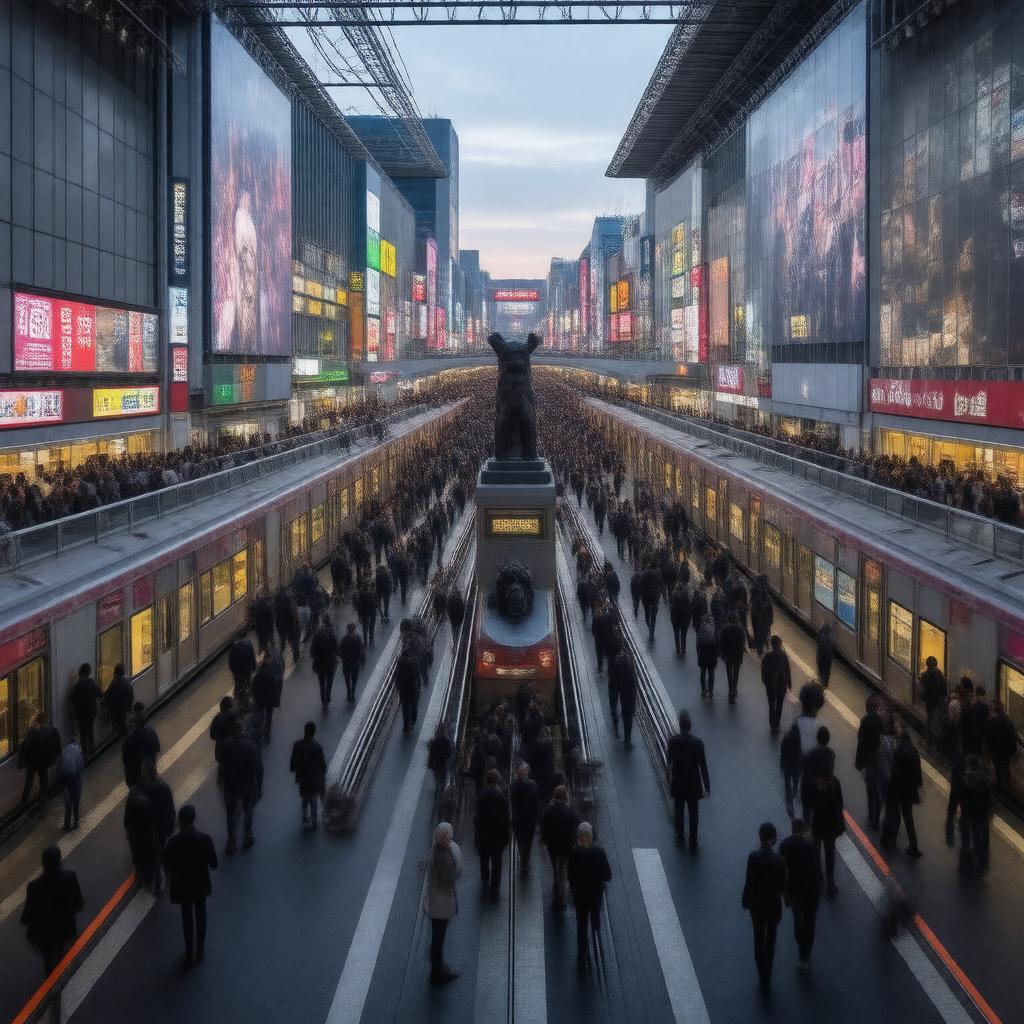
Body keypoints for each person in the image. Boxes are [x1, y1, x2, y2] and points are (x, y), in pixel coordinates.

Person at [163, 804, 218, 968]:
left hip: (182, 886)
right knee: (201, 914)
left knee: (186, 918)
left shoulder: (173, 842)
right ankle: (200, 946)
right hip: (200, 884)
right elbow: (214, 863)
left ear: (180, 820)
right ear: (193, 819)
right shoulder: (205, 838)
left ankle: (189, 951)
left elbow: (166, 865)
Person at [21, 846, 84, 976]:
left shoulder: (33, 887)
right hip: (65, 928)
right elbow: (79, 904)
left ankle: (51, 979)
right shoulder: (70, 877)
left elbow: (27, 916)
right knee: (60, 950)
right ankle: (60, 968)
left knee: (48, 958)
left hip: (45, 934)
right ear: (59, 860)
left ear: (43, 863)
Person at [741, 822, 787, 992]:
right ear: (773, 839)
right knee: (771, 938)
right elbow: (783, 885)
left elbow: (749, 881)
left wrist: (745, 901)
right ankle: (768, 970)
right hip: (773, 905)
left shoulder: (753, 857)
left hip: (757, 904)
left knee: (758, 937)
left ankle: (762, 974)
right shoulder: (779, 860)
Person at [567, 822, 612, 973]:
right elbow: (607, 875)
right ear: (591, 836)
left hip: (580, 897)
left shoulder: (573, 853)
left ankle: (581, 958)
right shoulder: (599, 852)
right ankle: (596, 928)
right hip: (595, 895)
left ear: (579, 837)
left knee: (581, 927)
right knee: (595, 915)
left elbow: (570, 876)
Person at [779, 819, 822, 972]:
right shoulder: (812, 847)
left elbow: (782, 872)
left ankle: (800, 944)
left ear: (792, 829)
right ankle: (805, 955)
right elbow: (818, 870)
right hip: (811, 890)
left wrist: (784, 892)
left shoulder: (784, 846)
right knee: (810, 921)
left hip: (794, 890)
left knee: (798, 918)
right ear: (804, 830)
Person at [666, 710, 710, 852]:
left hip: (678, 782)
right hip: (693, 784)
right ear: (690, 727)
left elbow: (669, 761)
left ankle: (680, 835)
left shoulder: (673, 741)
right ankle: (693, 841)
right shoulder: (698, 743)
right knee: (693, 812)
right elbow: (703, 766)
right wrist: (707, 787)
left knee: (679, 809)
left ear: (680, 726)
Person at [424, 821, 462, 985]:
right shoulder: (446, 858)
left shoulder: (435, 850)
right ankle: (437, 968)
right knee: (439, 935)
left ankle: (436, 962)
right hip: (442, 901)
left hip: (435, 899)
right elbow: (453, 875)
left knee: (437, 933)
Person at [220, 719, 263, 853]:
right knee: (248, 808)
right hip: (247, 784)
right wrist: (259, 787)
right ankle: (247, 835)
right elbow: (259, 769)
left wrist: (223, 784)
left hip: (231, 784)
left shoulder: (226, 746)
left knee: (231, 812)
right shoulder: (250, 746)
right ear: (243, 730)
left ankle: (231, 840)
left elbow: (222, 768)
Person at [881, 725, 923, 857]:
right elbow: (917, 772)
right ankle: (913, 846)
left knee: (892, 813)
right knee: (908, 818)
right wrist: (918, 786)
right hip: (909, 790)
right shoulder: (914, 751)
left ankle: (887, 839)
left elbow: (894, 770)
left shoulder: (898, 751)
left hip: (897, 788)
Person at [541, 784, 581, 911]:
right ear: (565, 797)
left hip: (553, 846)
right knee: (563, 868)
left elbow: (544, 828)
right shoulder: (571, 813)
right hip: (566, 847)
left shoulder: (549, 810)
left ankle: (556, 884)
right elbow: (576, 831)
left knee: (555, 867)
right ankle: (560, 894)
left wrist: (545, 840)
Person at [808, 761, 844, 896]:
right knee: (830, 854)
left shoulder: (814, 784)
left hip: (817, 824)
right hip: (830, 826)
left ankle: (819, 877)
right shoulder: (835, 782)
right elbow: (840, 803)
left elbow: (808, 803)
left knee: (816, 852)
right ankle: (830, 881)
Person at [474, 768, 510, 899]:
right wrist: (507, 836)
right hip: (498, 837)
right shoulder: (501, 796)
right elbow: (506, 819)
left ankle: (484, 878)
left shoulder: (482, 793)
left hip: (483, 835)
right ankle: (494, 888)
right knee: (497, 864)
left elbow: (477, 815)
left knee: (484, 858)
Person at [958, 755, 992, 875]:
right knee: (982, 839)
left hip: (972, 813)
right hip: (982, 813)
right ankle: (983, 863)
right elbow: (989, 798)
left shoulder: (968, 779)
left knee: (971, 838)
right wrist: (989, 813)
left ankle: (969, 865)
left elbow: (964, 798)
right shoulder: (985, 778)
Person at [855, 695, 885, 829]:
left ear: (867, 708)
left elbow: (860, 739)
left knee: (870, 786)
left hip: (868, 756)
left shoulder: (865, 721)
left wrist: (858, 760)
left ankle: (871, 814)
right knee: (878, 785)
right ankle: (877, 817)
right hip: (877, 755)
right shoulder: (879, 720)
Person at [290, 721, 327, 828]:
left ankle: (304, 814)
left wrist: (295, 771)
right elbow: (322, 764)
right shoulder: (317, 747)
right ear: (314, 732)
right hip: (315, 777)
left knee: (305, 796)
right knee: (314, 797)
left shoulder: (297, 745)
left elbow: (293, 762)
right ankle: (315, 819)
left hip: (303, 776)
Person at [19, 712, 61, 805]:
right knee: (43, 779)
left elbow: (27, 746)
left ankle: (24, 800)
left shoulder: (33, 731)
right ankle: (43, 797)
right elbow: (58, 746)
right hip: (45, 760)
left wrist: (25, 759)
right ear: (47, 719)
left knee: (29, 780)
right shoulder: (53, 730)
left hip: (33, 760)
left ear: (37, 720)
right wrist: (55, 756)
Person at [510, 762, 540, 875]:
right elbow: (536, 803)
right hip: (530, 820)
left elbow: (512, 801)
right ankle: (525, 862)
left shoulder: (514, 785)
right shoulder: (533, 784)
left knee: (520, 840)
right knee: (528, 842)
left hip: (518, 820)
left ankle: (523, 858)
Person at [121, 705, 160, 788]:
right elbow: (157, 747)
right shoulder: (150, 731)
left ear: (135, 725)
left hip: (136, 769)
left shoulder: (130, 738)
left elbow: (126, 757)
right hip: (149, 764)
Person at [760, 636, 792, 733]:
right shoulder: (783, 655)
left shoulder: (767, 655)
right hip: (781, 685)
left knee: (771, 704)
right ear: (780, 644)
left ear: (772, 644)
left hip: (770, 684)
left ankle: (772, 724)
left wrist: (764, 679)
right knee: (779, 705)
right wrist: (789, 683)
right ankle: (777, 724)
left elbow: (763, 668)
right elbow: (787, 670)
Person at [69, 664, 102, 758]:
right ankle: (92, 749)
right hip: (92, 711)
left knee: (83, 732)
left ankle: (85, 752)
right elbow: (100, 695)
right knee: (90, 729)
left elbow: (72, 698)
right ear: (89, 672)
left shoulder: (78, 684)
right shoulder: (93, 683)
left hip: (81, 712)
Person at [250, 652, 282, 742]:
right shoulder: (272, 675)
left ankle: (260, 728)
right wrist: (276, 700)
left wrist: (255, 696)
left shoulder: (258, 675)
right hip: (270, 700)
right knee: (269, 714)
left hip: (260, 699)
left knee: (260, 714)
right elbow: (276, 688)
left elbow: (253, 687)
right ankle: (268, 729)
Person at [986, 701, 1017, 792]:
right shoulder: (1008, 720)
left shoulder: (992, 723)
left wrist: (990, 752)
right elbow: (1013, 735)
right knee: (1006, 766)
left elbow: (989, 740)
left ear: (994, 711)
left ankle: (1000, 786)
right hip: (1008, 751)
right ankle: (1007, 784)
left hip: (997, 752)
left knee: (998, 768)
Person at [918, 656, 948, 749]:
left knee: (930, 722)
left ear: (927, 665)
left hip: (931, 703)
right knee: (938, 722)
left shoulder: (926, 675)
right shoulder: (940, 675)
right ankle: (938, 743)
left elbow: (924, 692)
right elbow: (945, 690)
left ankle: (930, 744)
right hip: (940, 703)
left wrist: (923, 696)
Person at [310, 619, 340, 710]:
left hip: (320, 663)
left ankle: (323, 699)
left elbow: (312, 651)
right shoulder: (332, 636)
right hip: (331, 662)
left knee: (322, 682)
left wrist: (315, 657)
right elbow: (337, 649)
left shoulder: (317, 636)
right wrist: (340, 656)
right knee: (330, 680)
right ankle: (328, 695)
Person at [57, 736, 84, 832]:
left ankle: (66, 825)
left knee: (67, 803)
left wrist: (60, 782)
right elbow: (81, 766)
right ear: (75, 743)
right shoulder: (78, 751)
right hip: (74, 779)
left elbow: (59, 766)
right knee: (75, 801)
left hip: (65, 780)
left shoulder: (64, 751)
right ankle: (76, 821)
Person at [719, 613, 746, 704]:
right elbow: (742, 643)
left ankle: (731, 690)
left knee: (729, 673)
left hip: (728, 655)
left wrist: (722, 653)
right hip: (737, 655)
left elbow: (721, 642)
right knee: (736, 672)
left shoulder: (725, 629)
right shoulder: (740, 629)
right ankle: (735, 687)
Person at [102, 663, 134, 737]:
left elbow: (107, 695)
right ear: (124, 672)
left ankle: (116, 736)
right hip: (123, 709)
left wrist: (104, 703)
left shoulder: (113, 683)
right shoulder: (127, 683)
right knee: (123, 726)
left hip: (113, 709)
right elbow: (130, 697)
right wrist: (129, 708)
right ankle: (124, 740)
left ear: (115, 672)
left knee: (115, 726)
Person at [339, 622, 365, 705]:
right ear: (354, 630)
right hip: (355, 663)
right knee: (354, 679)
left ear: (347, 630)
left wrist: (342, 658)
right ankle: (353, 693)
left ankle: (349, 692)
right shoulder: (358, 638)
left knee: (347, 679)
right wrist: (362, 660)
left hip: (346, 662)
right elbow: (361, 650)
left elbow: (341, 650)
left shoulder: (344, 639)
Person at [227, 637, 257, 704]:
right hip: (246, 667)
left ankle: (240, 698)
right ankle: (247, 698)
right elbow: (252, 658)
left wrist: (236, 674)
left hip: (239, 669)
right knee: (247, 682)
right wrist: (254, 667)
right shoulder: (248, 643)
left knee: (239, 683)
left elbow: (231, 664)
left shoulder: (234, 649)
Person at [695, 614, 719, 699]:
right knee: (711, 673)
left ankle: (703, 689)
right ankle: (711, 690)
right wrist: (716, 654)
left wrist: (698, 652)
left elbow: (698, 642)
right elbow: (717, 643)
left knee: (703, 673)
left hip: (703, 654)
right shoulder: (714, 629)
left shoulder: (701, 629)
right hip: (712, 655)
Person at [428, 722, 452, 792]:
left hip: (436, 763)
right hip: (443, 764)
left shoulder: (436, 740)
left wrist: (430, 763)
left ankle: (437, 788)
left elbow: (432, 751)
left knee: (437, 778)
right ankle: (440, 792)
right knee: (443, 779)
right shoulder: (447, 741)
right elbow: (449, 753)